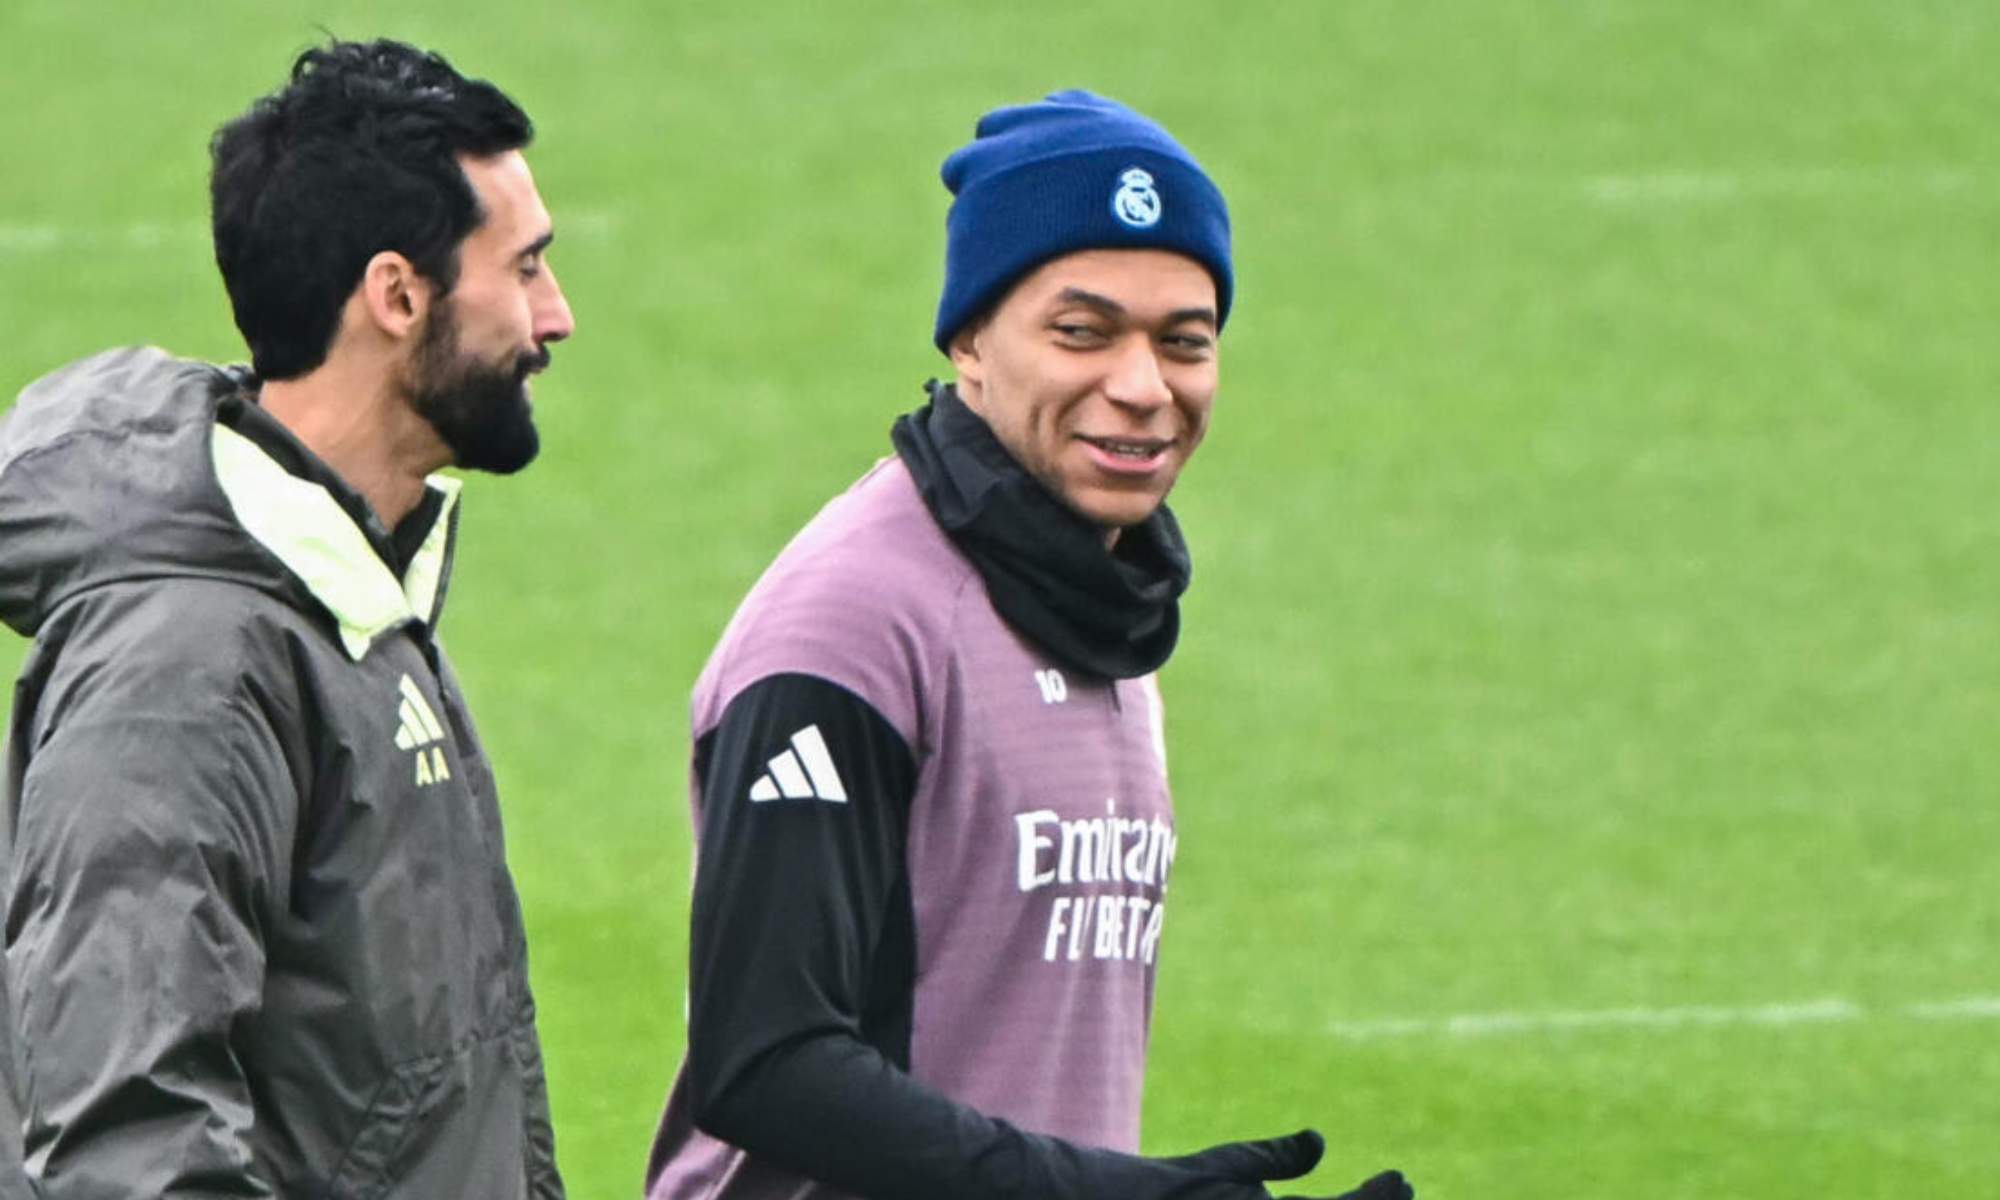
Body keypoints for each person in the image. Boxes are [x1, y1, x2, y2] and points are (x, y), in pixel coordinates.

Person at [643, 90, 1410, 1200]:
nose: (1143, 388)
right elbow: (768, 1065)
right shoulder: (852, 624)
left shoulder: (1099, 603)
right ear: (969, 341)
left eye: (1183, 343)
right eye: (1081, 333)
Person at [0, 39, 574, 1197]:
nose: (553, 319)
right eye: (522, 270)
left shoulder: (351, 588)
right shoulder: (187, 670)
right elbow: (127, 1139)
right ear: (397, 296)